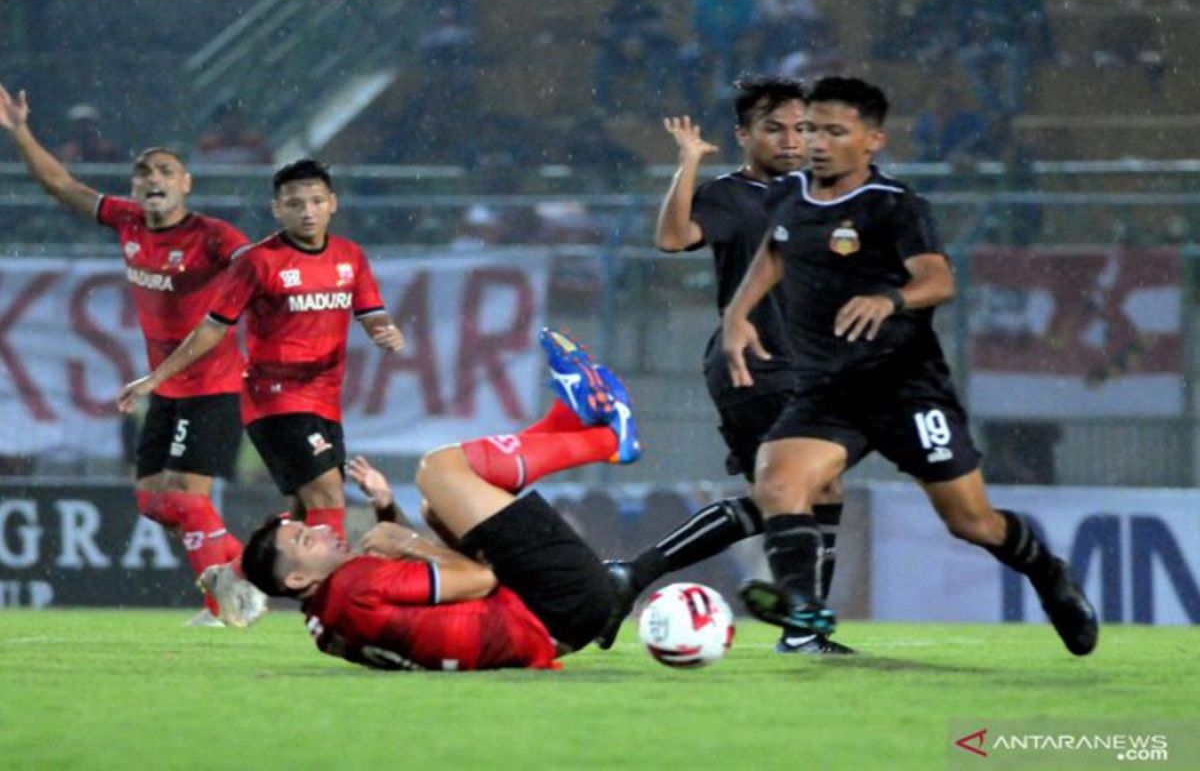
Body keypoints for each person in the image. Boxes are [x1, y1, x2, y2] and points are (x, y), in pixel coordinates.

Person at [721, 76, 1098, 656]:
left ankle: (1050, 574)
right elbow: (775, 251)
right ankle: (803, 611)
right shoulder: (790, 196)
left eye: (834, 132)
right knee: (778, 478)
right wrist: (738, 315)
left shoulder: (894, 206)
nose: (817, 142)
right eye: (813, 129)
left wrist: (890, 298)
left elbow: (938, 278)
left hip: (906, 388)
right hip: (829, 391)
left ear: (872, 140)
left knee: (971, 523)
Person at [601, 76, 852, 655]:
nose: (790, 139)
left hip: (807, 368)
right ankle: (802, 630)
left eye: (800, 128)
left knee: (812, 493)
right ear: (744, 135)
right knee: (798, 489)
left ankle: (633, 577)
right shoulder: (731, 195)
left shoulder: (816, 196)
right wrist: (688, 163)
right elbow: (672, 238)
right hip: (754, 363)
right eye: (774, 128)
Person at [0, 82, 265, 628]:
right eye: (144, 173)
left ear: (187, 184)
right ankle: (254, 568)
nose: (153, 180)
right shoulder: (126, 222)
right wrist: (20, 131)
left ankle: (222, 606)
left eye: (165, 171)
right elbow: (59, 183)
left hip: (211, 388)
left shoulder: (213, 236)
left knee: (191, 499)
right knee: (152, 504)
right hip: (163, 389)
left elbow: (258, 267)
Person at [239, 328, 641, 671]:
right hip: (556, 602)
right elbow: (476, 578)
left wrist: (386, 509)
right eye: (307, 540)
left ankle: (570, 418)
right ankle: (607, 437)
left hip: (556, 624)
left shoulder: (328, 622)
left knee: (437, 506)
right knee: (438, 470)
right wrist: (405, 542)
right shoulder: (355, 584)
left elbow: (426, 590)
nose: (324, 529)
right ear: (297, 580)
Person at [119, 158, 406, 565]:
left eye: (315, 201)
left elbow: (370, 309)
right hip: (274, 398)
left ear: (332, 204)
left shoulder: (350, 256)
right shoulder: (257, 262)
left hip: (324, 398)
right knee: (327, 493)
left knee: (308, 512)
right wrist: (155, 378)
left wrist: (384, 329)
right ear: (277, 209)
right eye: (294, 203)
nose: (306, 211)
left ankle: (244, 572)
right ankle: (338, 594)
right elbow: (213, 327)